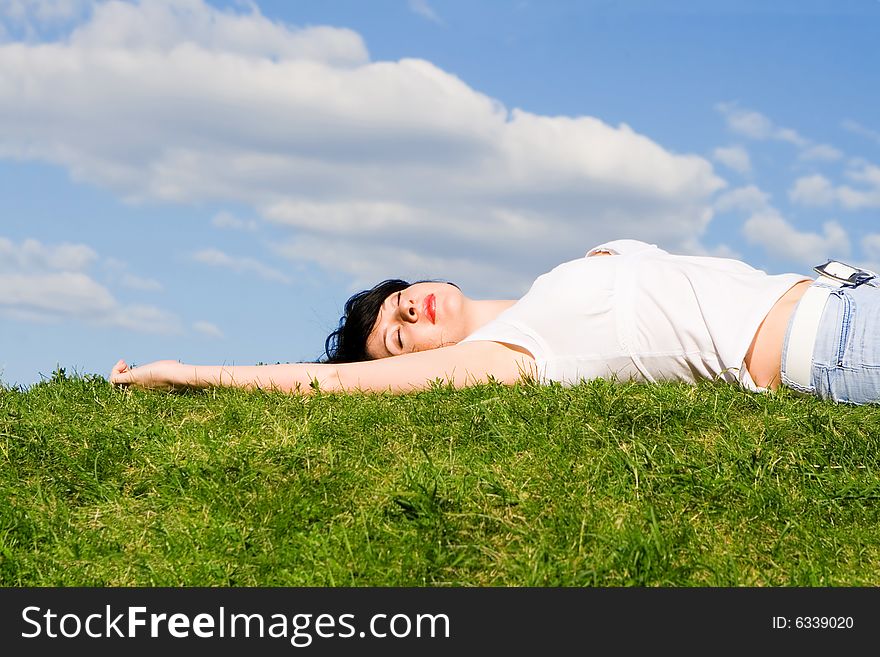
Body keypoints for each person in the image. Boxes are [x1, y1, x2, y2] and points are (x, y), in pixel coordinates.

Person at [110, 238, 880, 404]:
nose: (407, 311)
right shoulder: (506, 354)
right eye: (399, 339)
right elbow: (324, 386)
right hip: (835, 346)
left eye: (397, 302)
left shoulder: (547, 285)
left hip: (850, 292)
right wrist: (182, 370)